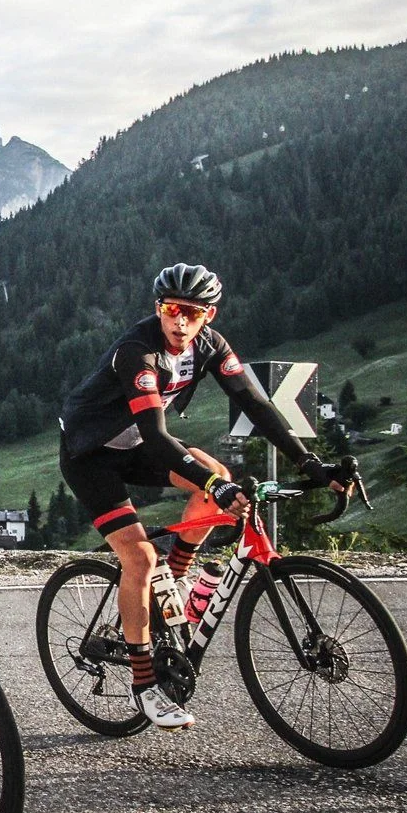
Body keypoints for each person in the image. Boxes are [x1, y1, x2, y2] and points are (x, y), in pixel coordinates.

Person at [58, 263, 349, 731]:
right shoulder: (138, 351)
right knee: (139, 558)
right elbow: (155, 434)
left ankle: (176, 581)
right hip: (91, 455)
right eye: (172, 310)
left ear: (208, 315)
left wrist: (310, 465)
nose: (180, 321)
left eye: (191, 312)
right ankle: (146, 685)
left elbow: (257, 404)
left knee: (216, 471)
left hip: (134, 447)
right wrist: (216, 487)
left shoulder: (211, 346)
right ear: (159, 308)